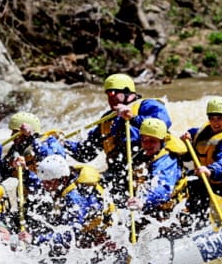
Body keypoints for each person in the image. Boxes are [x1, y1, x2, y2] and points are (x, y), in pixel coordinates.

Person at [64, 73, 172, 204]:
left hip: (149, 169)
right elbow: (85, 153)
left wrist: (132, 118)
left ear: (127, 92)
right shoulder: (108, 120)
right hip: (118, 176)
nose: (111, 98)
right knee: (85, 189)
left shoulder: (146, 106)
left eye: (114, 93)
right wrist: (63, 143)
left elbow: (162, 125)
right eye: (108, 95)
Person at [19, 154, 113, 262]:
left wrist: (35, 239)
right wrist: (25, 172)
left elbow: (70, 234)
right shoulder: (60, 181)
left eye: (48, 183)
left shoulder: (74, 199)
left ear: (62, 180)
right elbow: (41, 185)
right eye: (44, 182)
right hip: (85, 229)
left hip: (101, 236)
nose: (45, 186)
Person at [126, 118, 184, 224]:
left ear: (162, 141)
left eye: (152, 141)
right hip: (150, 207)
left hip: (172, 213)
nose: (147, 144)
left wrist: (143, 201)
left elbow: (164, 188)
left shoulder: (167, 160)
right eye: (144, 140)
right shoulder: (141, 155)